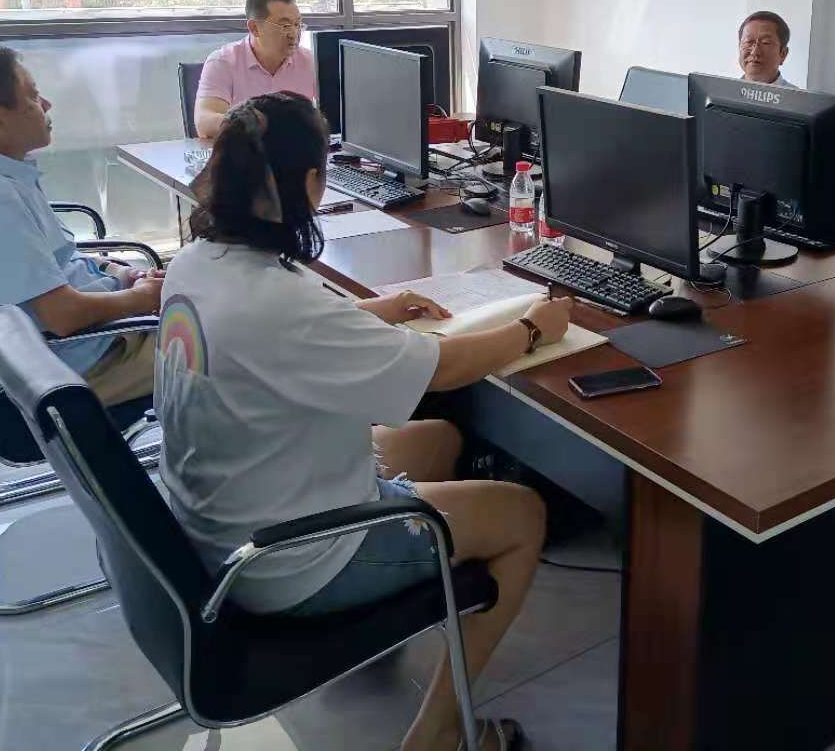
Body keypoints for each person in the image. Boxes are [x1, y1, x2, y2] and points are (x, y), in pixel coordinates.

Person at [156, 91, 570, 751]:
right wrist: (531, 328)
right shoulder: (278, 299)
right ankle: (438, 736)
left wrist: (381, 311)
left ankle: (382, 632)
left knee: (438, 438)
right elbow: (442, 370)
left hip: (218, 522)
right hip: (286, 562)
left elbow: (280, 338)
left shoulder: (196, 262)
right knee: (523, 515)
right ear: (309, 184)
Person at [0, 43, 163, 406]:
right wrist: (140, 299)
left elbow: (56, 260)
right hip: (85, 362)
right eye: (32, 96)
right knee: (228, 340)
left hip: (89, 335)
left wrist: (119, 273)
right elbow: (62, 316)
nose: (46, 104)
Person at [192, 0, 316, 138]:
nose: (294, 34)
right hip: (244, 148)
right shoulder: (223, 62)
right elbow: (205, 123)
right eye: (285, 26)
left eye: (297, 25)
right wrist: (257, 125)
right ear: (254, 28)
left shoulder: (311, 62)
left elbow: (333, 114)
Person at [736, 10, 799, 88]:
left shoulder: (796, 95)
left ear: (783, 54)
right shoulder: (726, 91)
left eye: (765, 42)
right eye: (748, 42)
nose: (754, 52)